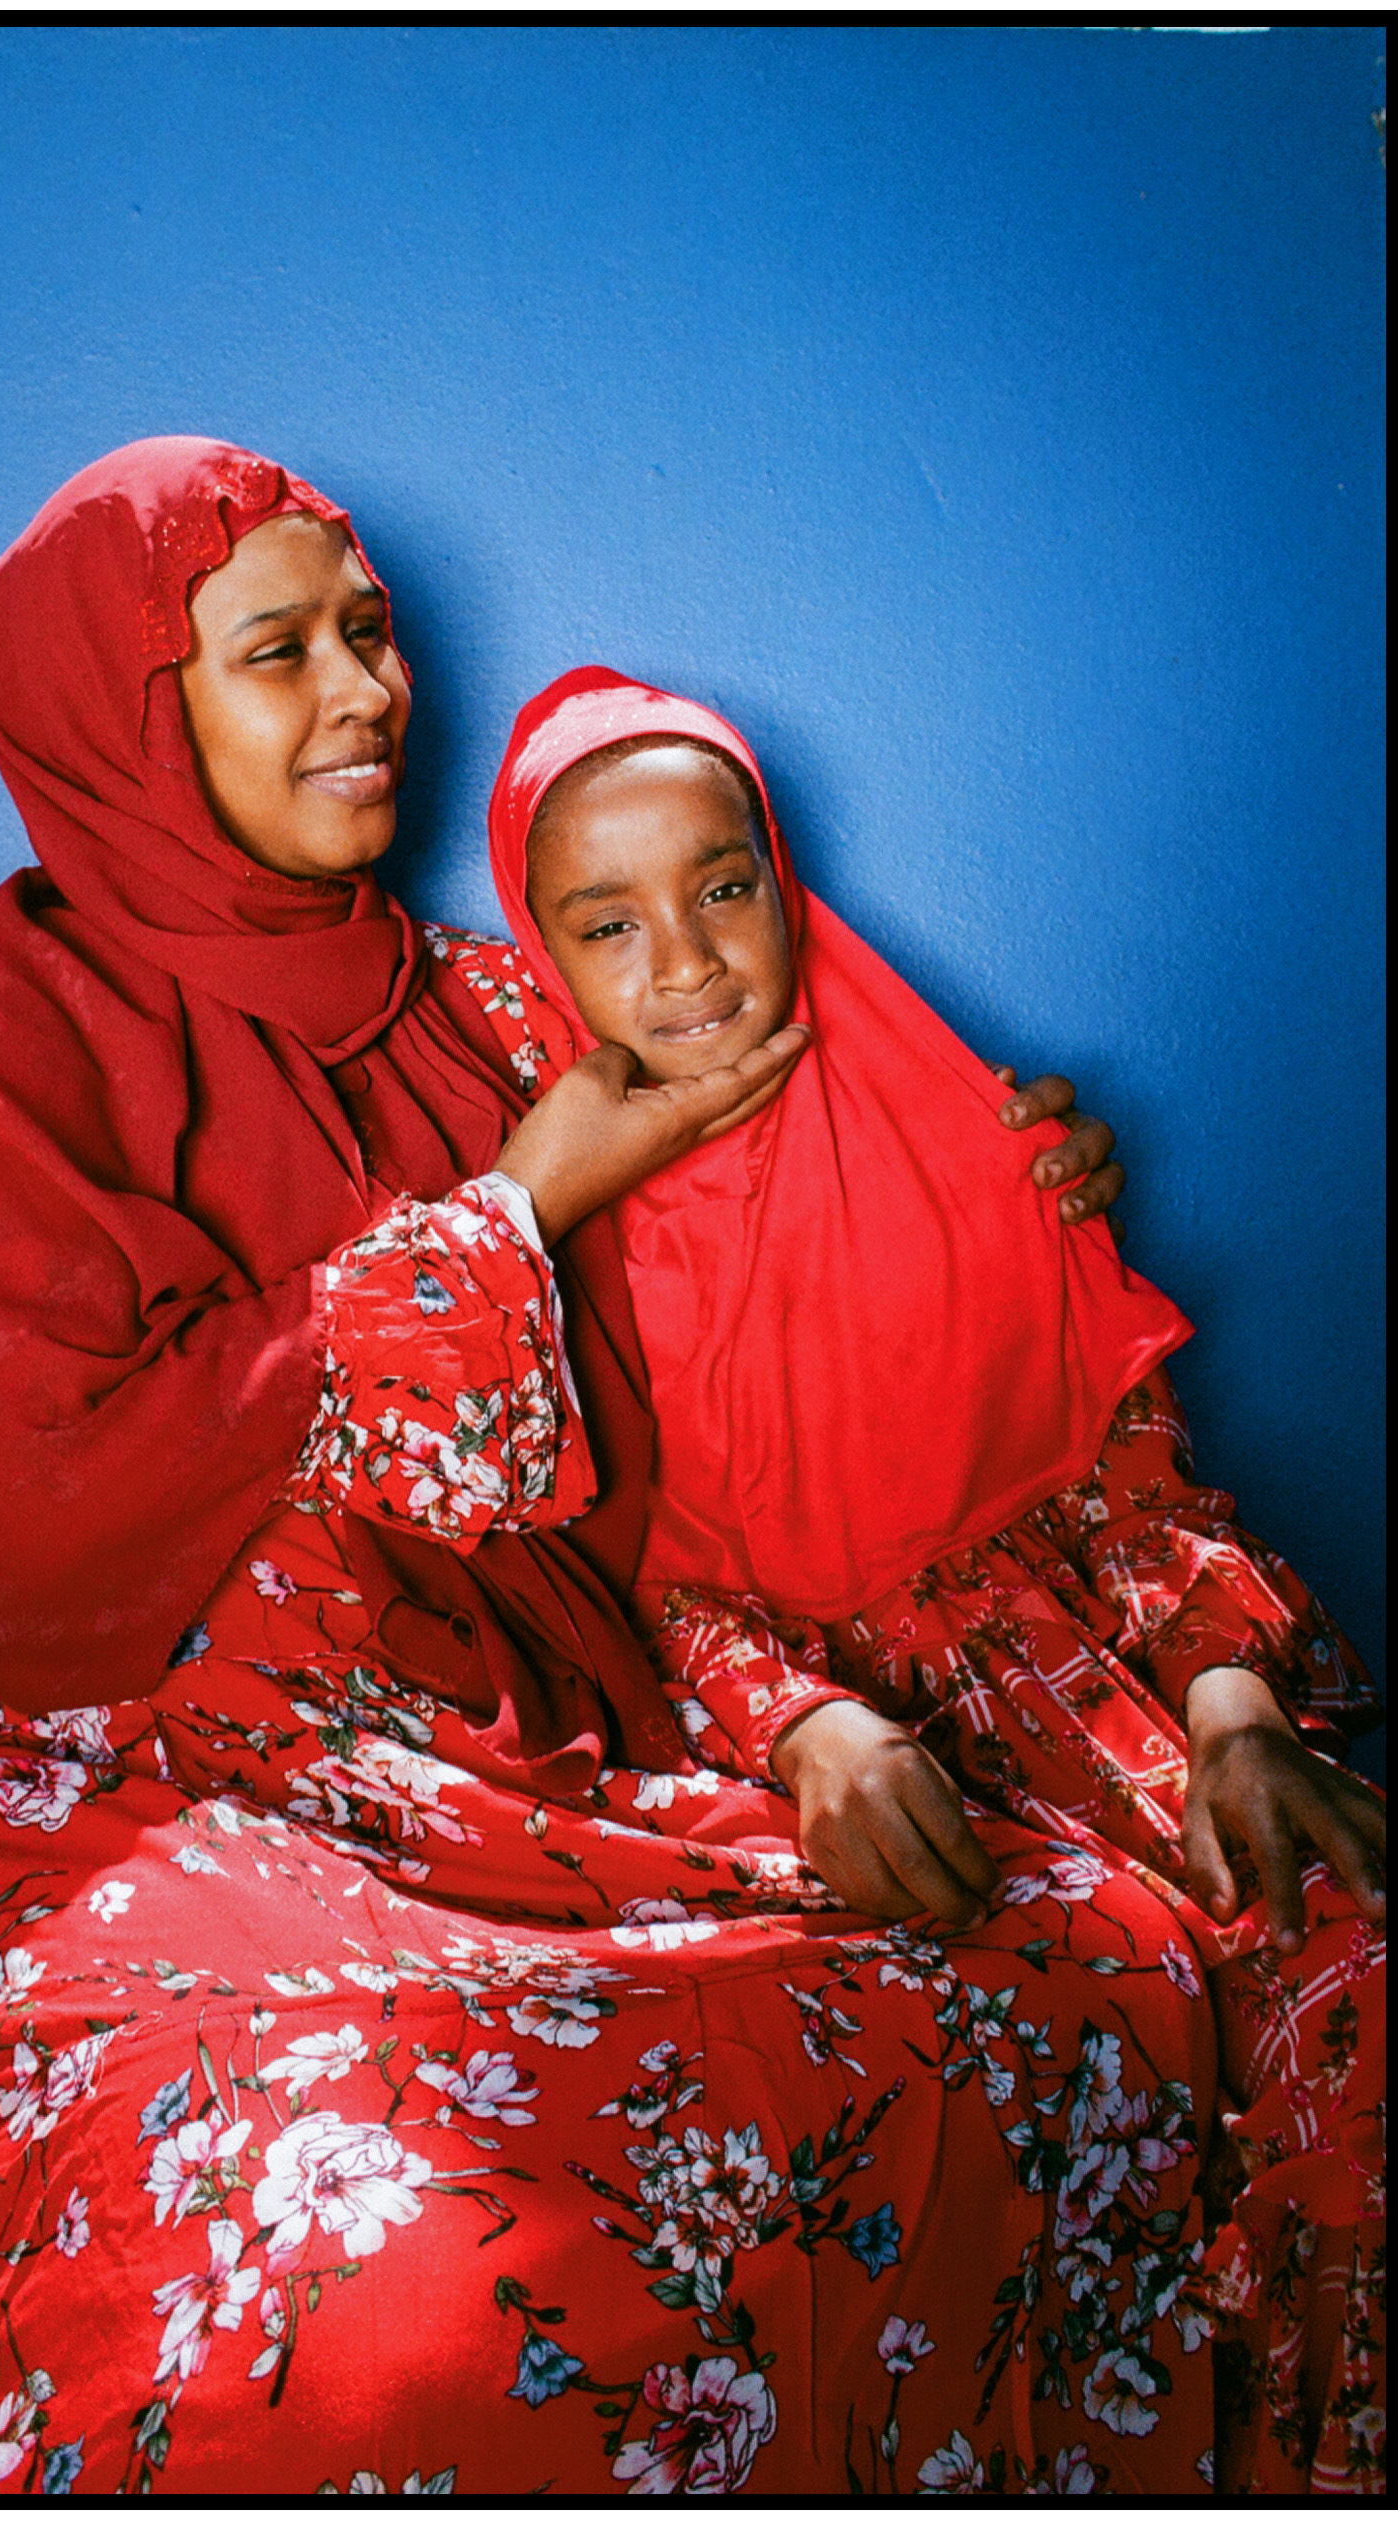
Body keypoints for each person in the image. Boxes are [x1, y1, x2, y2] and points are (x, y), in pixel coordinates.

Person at [0, 439, 1294, 2499]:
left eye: (367, 632)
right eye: (275, 651)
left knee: (1038, 1986)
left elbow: (796, 1164)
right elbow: (24, 1506)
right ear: (128, 716)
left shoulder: (485, 1011)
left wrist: (1011, 1176)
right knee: (354, 2273)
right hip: (93, 1778)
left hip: (499, 1760)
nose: (367, 689)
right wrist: (518, 1199)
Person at [470, 664, 1388, 2492]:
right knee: (994, 2073)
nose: (691, 962)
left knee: (1340, 1960)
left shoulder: (976, 1141)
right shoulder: (551, 1237)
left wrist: (1235, 1706)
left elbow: (1123, 1476)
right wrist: (805, 1723)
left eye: (725, 887)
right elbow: (626, 1575)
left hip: (1087, 1696)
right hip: (805, 1768)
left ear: (786, 884)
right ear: (541, 961)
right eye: (607, 924)